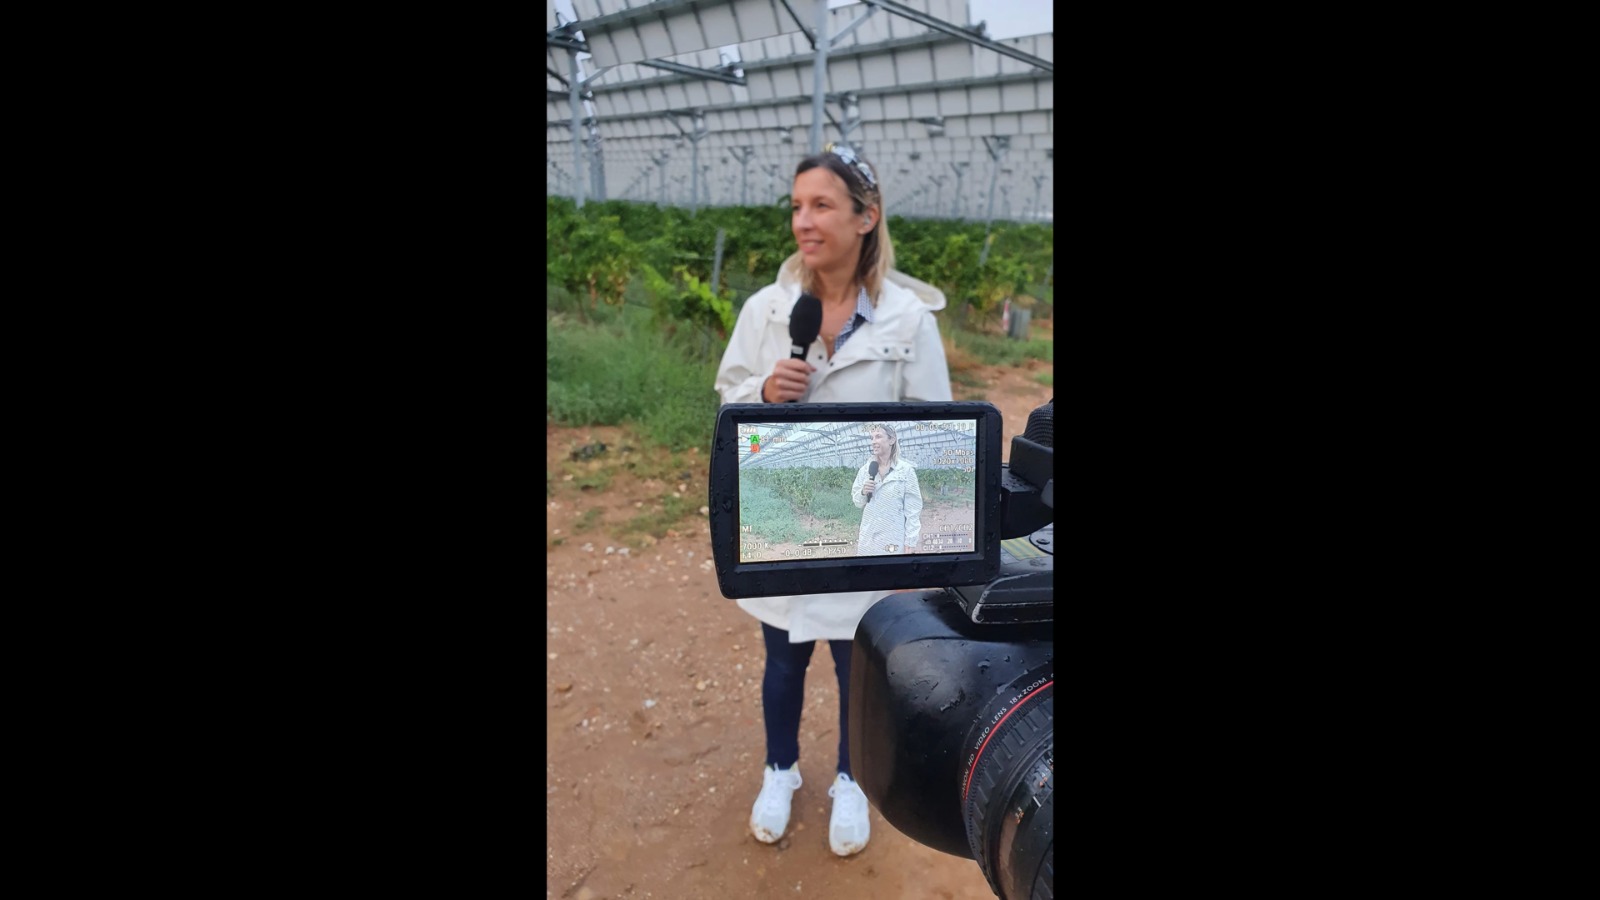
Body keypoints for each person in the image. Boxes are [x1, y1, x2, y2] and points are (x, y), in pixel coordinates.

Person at [714, 143, 952, 858]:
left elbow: (938, 434)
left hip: (868, 535)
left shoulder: (908, 321)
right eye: (796, 206)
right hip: (783, 525)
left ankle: (852, 777)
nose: (803, 222)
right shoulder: (769, 310)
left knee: (859, 666)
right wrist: (761, 393)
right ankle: (780, 770)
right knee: (783, 661)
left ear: (865, 217)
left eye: (821, 205)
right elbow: (725, 395)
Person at [851, 423, 923, 555]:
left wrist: (910, 541)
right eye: (871, 438)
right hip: (869, 538)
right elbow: (857, 501)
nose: (873, 442)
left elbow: (913, 510)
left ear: (892, 439)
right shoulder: (865, 470)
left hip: (893, 539)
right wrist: (863, 492)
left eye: (878, 436)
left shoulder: (906, 471)